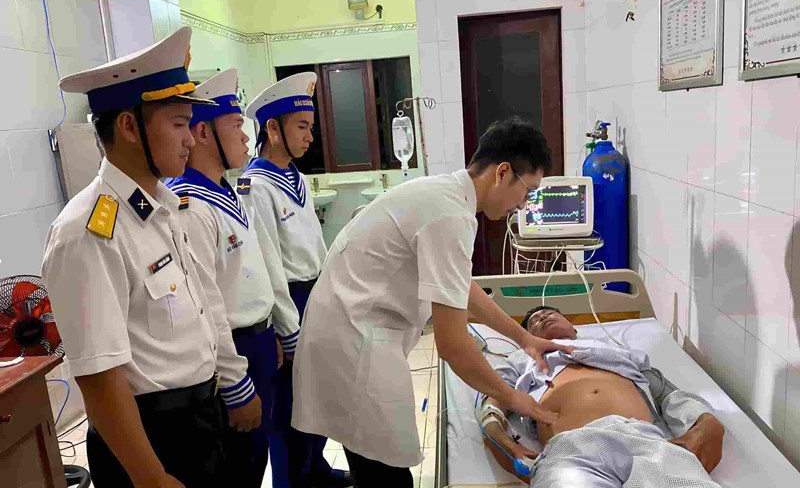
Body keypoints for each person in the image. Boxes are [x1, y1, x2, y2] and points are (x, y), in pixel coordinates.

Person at [292, 117, 573, 487]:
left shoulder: (444, 196)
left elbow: (460, 287)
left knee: (374, 467)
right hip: (355, 345)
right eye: (528, 190)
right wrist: (513, 397)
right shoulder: (450, 216)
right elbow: (452, 346)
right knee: (386, 476)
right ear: (502, 173)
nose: (524, 205)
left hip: (347, 333)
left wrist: (523, 339)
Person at [41, 27, 261, 488]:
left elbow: (204, 306)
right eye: (179, 124)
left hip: (202, 420)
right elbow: (99, 376)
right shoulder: (88, 232)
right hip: (152, 438)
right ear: (128, 126)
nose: (190, 139)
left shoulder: (163, 206)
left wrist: (231, 383)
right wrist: (149, 476)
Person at [164, 68, 301, 486]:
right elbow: (206, 307)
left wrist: (271, 333)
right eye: (236, 125)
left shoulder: (227, 193)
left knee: (256, 456)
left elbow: (251, 273)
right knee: (237, 466)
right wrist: (237, 385)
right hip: (229, 355)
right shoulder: (190, 206)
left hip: (255, 343)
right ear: (203, 133)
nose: (246, 136)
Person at [241, 72, 351, 487]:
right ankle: (293, 480)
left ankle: (316, 470)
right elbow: (268, 266)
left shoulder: (297, 179)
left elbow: (313, 250)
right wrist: (288, 329)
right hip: (288, 302)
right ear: (272, 128)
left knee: (317, 400)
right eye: (301, 127)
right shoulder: (255, 187)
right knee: (288, 411)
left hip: (314, 297)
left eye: (311, 128)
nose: (309, 138)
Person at [477, 305, 726, 486]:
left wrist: (707, 422)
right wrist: (503, 441)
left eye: (551, 313)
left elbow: (669, 395)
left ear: (573, 327)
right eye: (535, 322)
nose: (543, 316)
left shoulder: (621, 353)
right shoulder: (522, 360)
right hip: (571, 448)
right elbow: (493, 398)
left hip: (646, 441)